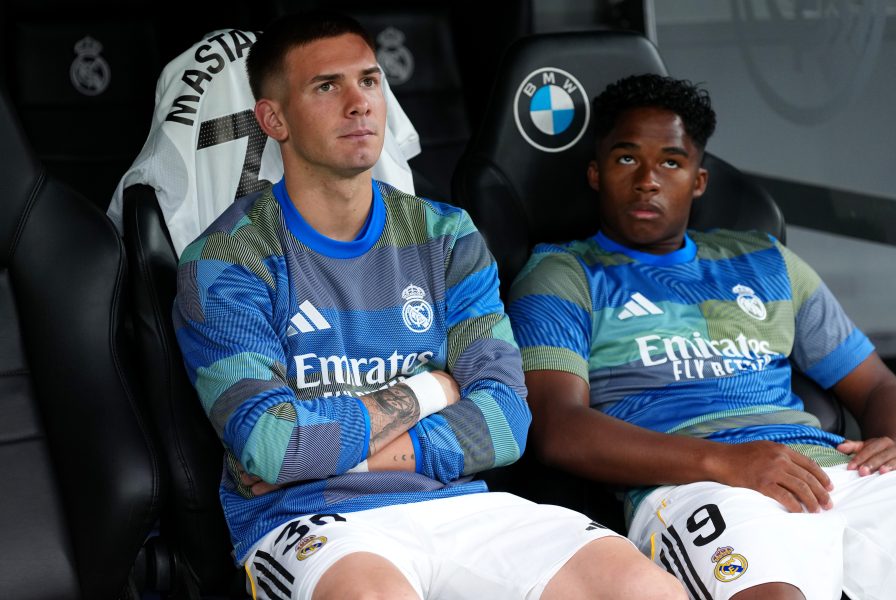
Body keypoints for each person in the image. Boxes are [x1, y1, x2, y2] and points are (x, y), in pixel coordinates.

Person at [173, 11, 684, 600]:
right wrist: (432, 390)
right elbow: (274, 445)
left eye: (369, 81)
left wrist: (354, 454)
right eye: (327, 86)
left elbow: (505, 420)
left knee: (643, 588)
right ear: (274, 119)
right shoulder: (227, 259)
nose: (359, 104)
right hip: (311, 519)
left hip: (454, 501)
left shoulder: (447, 235)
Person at [507, 73, 896, 600]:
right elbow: (558, 429)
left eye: (671, 162)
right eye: (627, 158)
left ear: (698, 180)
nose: (648, 180)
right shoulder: (563, 274)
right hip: (698, 485)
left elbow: (877, 384)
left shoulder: (765, 261)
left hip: (833, 470)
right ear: (596, 173)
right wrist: (725, 461)